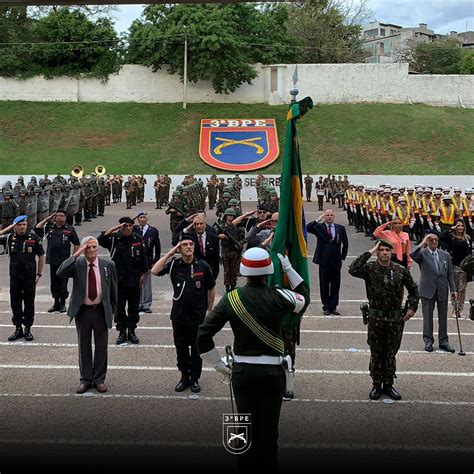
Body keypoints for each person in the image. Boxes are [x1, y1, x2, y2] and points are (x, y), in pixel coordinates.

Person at [197, 248, 309, 470]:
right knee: (269, 431)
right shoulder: (279, 296)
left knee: (243, 429)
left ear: (243, 271)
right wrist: (288, 267)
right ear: (269, 271)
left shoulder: (232, 298)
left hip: (242, 374)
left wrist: (220, 366)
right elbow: (304, 297)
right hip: (272, 375)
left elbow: (203, 334)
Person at [349, 240, 418, 400]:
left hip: (394, 319)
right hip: (376, 319)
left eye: (387, 250)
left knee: (390, 352)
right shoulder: (370, 269)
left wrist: (412, 307)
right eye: (381, 250)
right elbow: (353, 269)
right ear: (377, 252)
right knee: (376, 351)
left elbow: (414, 289)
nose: (385, 252)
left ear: (391, 253)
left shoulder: (400, 270)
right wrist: (370, 251)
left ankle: (388, 383)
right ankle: (376, 384)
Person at [152, 233, 215, 393]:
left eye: (191, 244)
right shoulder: (174, 264)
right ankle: (184, 376)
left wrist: (209, 310)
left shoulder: (203, 265)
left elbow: (211, 288)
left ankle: (194, 379)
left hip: (197, 316)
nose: (188, 247)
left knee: (196, 350)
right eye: (184, 244)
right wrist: (170, 253)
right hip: (179, 316)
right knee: (181, 349)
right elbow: (154, 270)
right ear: (179, 248)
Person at [57, 237, 117, 394]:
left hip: (100, 310)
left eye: (94, 247)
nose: (91, 250)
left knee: (101, 346)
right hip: (83, 311)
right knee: (84, 345)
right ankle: (85, 379)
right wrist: (77, 253)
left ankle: (99, 380)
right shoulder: (77, 264)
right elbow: (60, 272)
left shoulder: (108, 265)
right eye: (88, 247)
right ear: (84, 249)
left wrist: (113, 310)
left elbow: (113, 290)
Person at [98, 217, 148, 345]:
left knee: (134, 308)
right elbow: (101, 239)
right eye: (125, 226)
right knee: (119, 308)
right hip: (118, 281)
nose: (127, 228)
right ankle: (121, 331)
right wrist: (115, 228)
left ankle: (131, 330)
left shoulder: (138, 239)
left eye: (130, 226)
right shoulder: (114, 239)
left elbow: (143, 258)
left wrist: (143, 274)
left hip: (134, 280)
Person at [410, 230, 457, 353]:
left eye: (436, 240)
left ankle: (444, 341)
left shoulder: (445, 255)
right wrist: (422, 243)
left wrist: (453, 290)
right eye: (431, 240)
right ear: (427, 241)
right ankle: (428, 340)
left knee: (443, 317)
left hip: (442, 289)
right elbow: (412, 254)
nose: (434, 242)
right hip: (427, 289)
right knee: (428, 317)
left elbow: (450, 274)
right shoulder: (423, 254)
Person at [0, 215, 45, 341]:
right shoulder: (10, 238)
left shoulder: (34, 238)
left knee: (29, 303)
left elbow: (41, 255)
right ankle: (18, 328)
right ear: (15, 227)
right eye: (19, 225)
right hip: (15, 277)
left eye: (24, 224)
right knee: (15, 303)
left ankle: (28, 329)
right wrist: (8, 228)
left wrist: (39, 274)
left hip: (29, 277)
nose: (22, 227)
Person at [35, 210, 80, 313]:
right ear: (54, 217)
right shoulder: (50, 228)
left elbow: (77, 243)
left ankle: (63, 303)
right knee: (54, 283)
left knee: (63, 283)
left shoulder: (69, 229)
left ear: (65, 217)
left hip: (64, 261)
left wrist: (73, 257)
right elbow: (38, 227)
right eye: (58, 216)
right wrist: (47, 219)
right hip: (53, 260)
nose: (60, 218)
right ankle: (56, 303)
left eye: (62, 216)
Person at [307, 209, 349, 315]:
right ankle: (326, 305)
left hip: (336, 260)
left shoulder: (340, 228)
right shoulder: (319, 227)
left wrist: (342, 257)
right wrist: (317, 220)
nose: (329, 217)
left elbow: (345, 243)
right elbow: (307, 228)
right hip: (323, 260)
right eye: (327, 215)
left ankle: (333, 306)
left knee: (335, 284)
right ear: (324, 217)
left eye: (331, 215)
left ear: (334, 217)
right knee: (324, 284)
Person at [439, 218, 471, 318]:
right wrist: (451, 228)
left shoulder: (467, 238)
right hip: (454, 266)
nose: (460, 227)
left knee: (462, 289)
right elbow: (441, 236)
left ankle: (460, 310)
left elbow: (469, 253)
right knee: (455, 289)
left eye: (462, 226)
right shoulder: (451, 237)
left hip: (464, 268)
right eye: (458, 225)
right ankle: (454, 310)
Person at [176, 213, 220, 279]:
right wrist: (187, 222)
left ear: (205, 225)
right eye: (196, 224)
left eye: (201, 224)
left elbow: (216, 259)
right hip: (194, 273)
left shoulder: (213, 238)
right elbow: (176, 238)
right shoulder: (190, 237)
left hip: (209, 273)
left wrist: (214, 276)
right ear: (193, 226)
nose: (199, 226)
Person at [134, 211, 161, 314]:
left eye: (144, 217)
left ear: (147, 219)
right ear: (137, 219)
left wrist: (156, 260)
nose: (142, 219)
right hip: (136, 261)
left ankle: (146, 305)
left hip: (148, 261)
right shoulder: (134, 229)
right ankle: (137, 304)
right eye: (140, 217)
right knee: (137, 283)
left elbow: (157, 247)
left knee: (147, 284)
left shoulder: (153, 231)